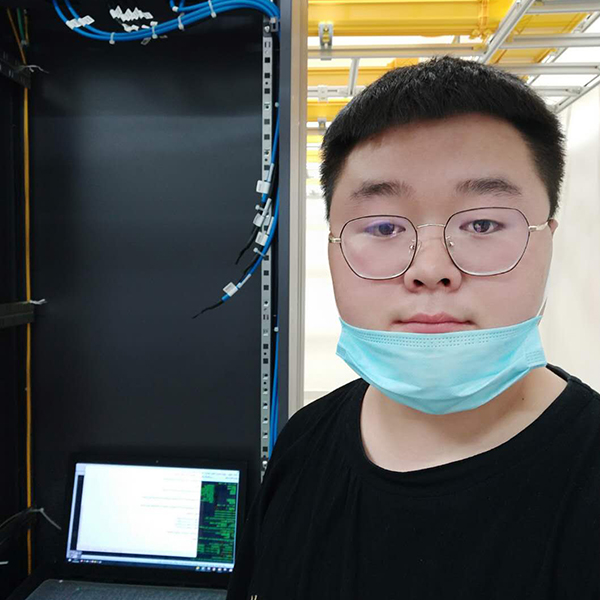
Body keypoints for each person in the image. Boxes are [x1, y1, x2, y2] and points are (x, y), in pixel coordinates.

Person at [226, 55, 600, 599]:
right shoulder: (302, 443)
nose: (430, 269)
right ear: (331, 246)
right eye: (382, 226)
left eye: (482, 223)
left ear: (549, 240)